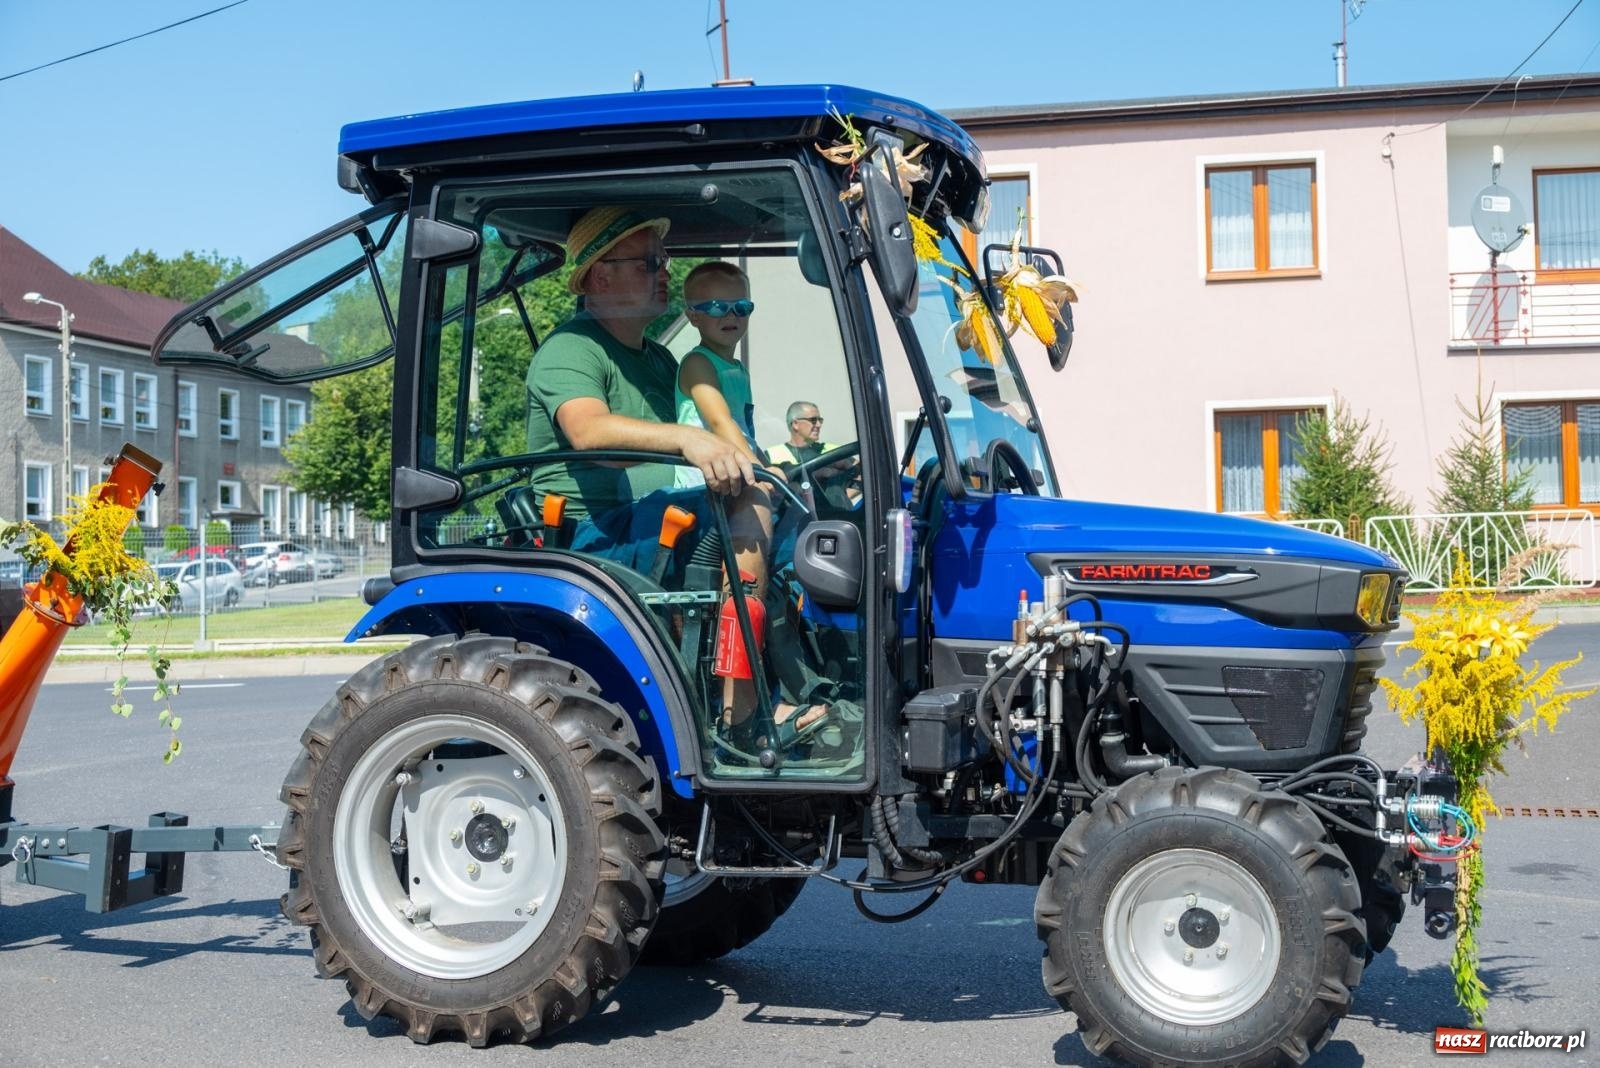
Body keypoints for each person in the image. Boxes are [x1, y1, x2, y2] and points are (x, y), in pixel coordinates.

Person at [524, 207, 825, 745]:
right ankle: (742, 713)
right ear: (600, 275)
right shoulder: (572, 348)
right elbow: (588, 431)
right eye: (649, 263)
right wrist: (690, 440)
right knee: (751, 504)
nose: (665, 272)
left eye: (661, 261)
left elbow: (711, 417)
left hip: (659, 518)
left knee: (806, 519)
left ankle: (803, 682)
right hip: (596, 538)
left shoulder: (661, 361)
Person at [673, 262, 761, 489]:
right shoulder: (698, 363)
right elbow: (719, 421)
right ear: (693, 317)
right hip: (702, 487)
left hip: (733, 477)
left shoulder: (738, 370)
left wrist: (766, 463)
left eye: (742, 307)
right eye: (717, 307)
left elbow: (744, 431)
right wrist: (758, 470)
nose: (731, 315)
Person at [769, 401, 858, 509]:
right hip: (796, 518)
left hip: (838, 517)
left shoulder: (832, 450)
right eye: (813, 420)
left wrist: (843, 495)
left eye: (820, 420)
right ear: (795, 424)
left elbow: (862, 472)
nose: (819, 425)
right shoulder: (772, 454)